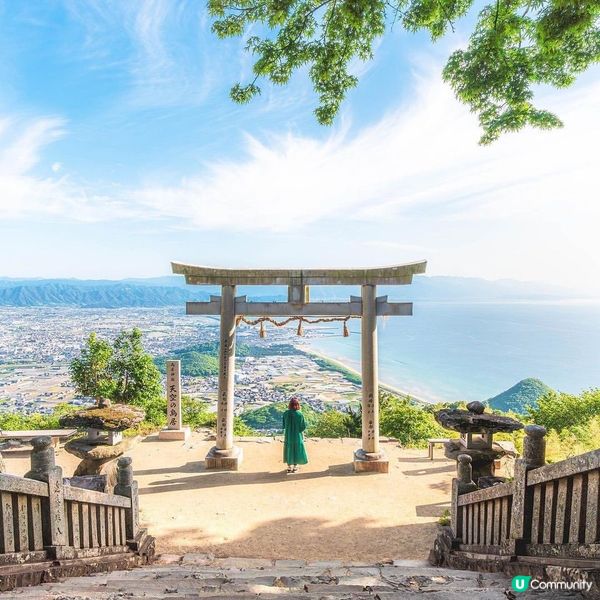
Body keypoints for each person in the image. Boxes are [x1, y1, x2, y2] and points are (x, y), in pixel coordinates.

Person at [282, 397, 308, 473]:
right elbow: (303, 426)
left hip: (288, 435)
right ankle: (295, 466)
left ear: (290, 404)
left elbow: (283, 425)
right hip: (297, 435)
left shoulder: (286, 413)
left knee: (289, 449)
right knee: (297, 449)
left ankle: (289, 466)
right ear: (297, 404)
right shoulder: (300, 414)